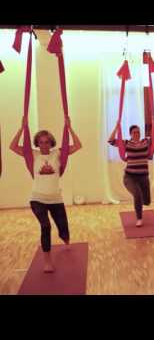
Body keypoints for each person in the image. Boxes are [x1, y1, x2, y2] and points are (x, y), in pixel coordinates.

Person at [10, 116, 82, 273]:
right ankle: (47, 261)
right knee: (45, 226)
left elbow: (78, 145)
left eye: (47, 141)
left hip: (56, 198)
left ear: (51, 143)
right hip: (37, 198)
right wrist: (22, 128)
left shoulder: (58, 153)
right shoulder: (32, 154)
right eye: (41, 142)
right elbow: (12, 146)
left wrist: (69, 128)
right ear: (37, 143)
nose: (44, 145)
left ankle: (66, 239)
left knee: (63, 230)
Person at [108, 120, 154, 227]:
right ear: (130, 134)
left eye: (138, 132)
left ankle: (141, 203)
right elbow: (110, 141)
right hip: (130, 177)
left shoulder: (146, 142)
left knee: (147, 201)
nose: (136, 134)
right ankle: (139, 218)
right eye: (134, 133)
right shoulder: (126, 143)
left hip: (143, 176)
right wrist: (116, 127)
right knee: (137, 195)